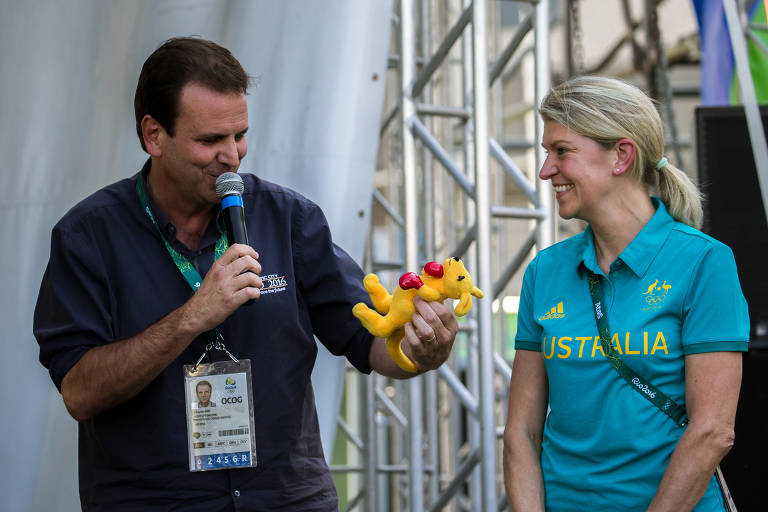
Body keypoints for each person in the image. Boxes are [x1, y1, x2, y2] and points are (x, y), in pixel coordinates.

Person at [33, 36, 459, 511]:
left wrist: (418, 350)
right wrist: (192, 316)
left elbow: (368, 342)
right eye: (210, 140)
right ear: (154, 135)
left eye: (239, 135)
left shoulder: (288, 218)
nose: (232, 156)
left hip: (285, 499)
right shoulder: (88, 236)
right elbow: (79, 391)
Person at [502, 76, 749, 511]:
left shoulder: (704, 262)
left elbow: (713, 430)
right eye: (546, 154)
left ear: (621, 155)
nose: (545, 171)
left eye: (561, 152)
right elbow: (521, 432)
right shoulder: (545, 271)